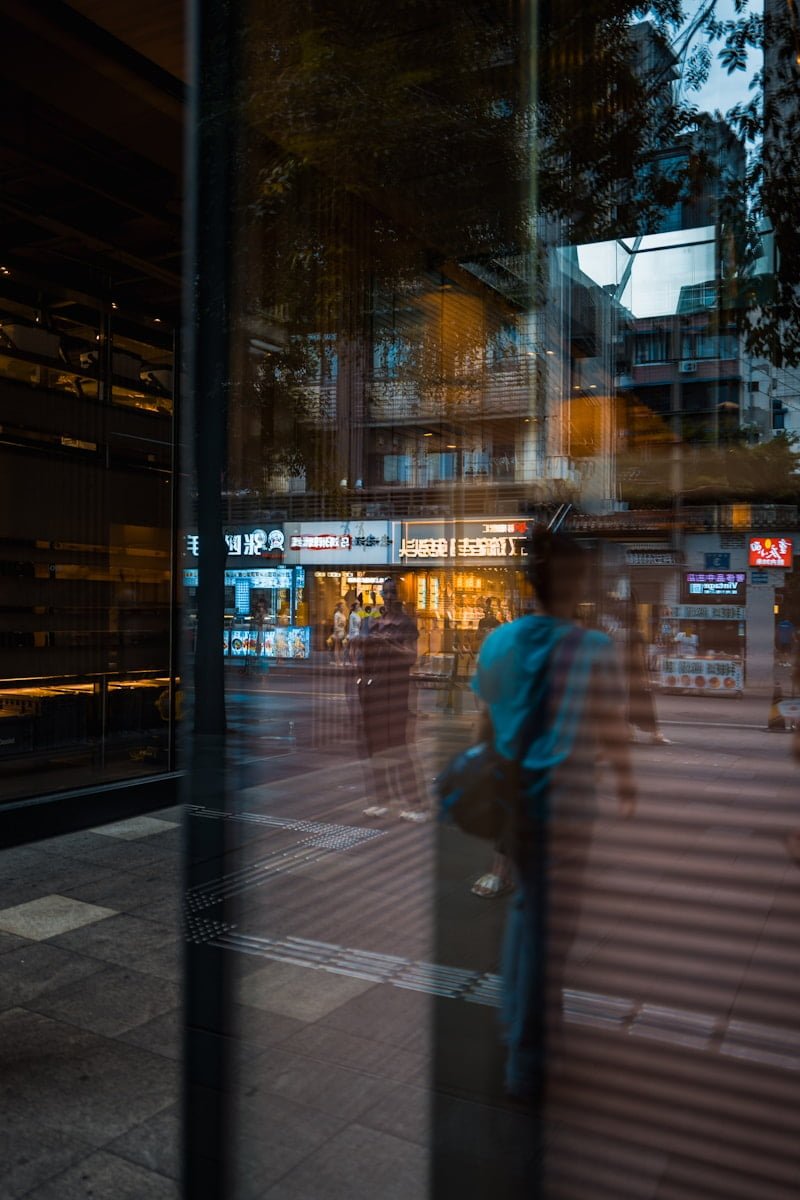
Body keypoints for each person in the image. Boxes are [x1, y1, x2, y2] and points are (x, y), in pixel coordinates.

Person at [471, 526, 635, 1105]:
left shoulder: (499, 643)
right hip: (568, 808)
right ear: (577, 585)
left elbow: (484, 726)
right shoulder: (593, 649)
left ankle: (519, 1017)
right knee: (551, 927)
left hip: (517, 802)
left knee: (526, 906)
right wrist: (626, 782)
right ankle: (528, 1054)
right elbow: (612, 728)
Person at [358, 577, 428, 822]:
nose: (388, 596)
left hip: (397, 690)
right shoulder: (376, 622)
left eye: (392, 592)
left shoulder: (405, 623)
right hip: (376, 690)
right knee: (377, 748)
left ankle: (415, 803)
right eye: (385, 592)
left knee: (400, 747)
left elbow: (411, 657)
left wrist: (388, 644)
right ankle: (382, 800)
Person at [330, 600, 347, 666]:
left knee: (341, 648)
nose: (343, 607)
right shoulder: (337, 614)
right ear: (339, 607)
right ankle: (337, 661)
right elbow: (336, 625)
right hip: (338, 632)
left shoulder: (342, 614)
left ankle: (340, 661)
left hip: (342, 632)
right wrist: (336, 633)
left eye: (344, 606)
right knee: (337, 647)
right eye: (342, 606)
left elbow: (344, 624)